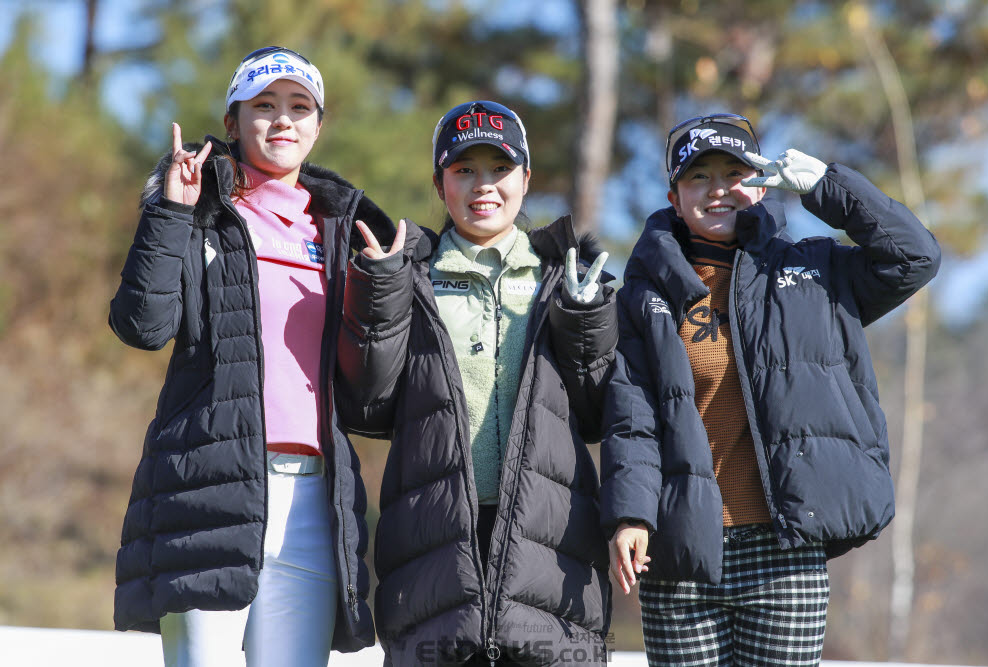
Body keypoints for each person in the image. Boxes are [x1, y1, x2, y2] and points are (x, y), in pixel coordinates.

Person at [601, 113, 941, 666]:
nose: (718, 190)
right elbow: (633, 419)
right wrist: (631, 516)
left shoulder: (818, 272)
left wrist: (826, 186)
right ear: (674, 195)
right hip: (683, 551)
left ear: (759, 184)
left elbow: (915, 256)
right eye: (698, 177)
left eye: (734, 172)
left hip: (785, 551)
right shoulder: (642, 296)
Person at [108, 46, 396, 666]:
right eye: (263, 106)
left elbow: (372, 387)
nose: (282, 120)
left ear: (319, 127)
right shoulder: (199, 210)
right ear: (233, 120)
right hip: (209, 489)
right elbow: (142, 325)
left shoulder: (344, 230)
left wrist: (385, 288)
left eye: (299, 107)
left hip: (313, 503)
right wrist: (171, 213)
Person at [336, 100, 616, 665]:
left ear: (527, 178)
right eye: (464, 170)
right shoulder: (406, 275)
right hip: (434, 542)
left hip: (550, 543)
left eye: (499, 168)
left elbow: (595, 414)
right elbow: (369, 406)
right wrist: (379, 296)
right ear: (440, 185)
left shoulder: (568, 280)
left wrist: (585, 319)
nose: (482, 185)